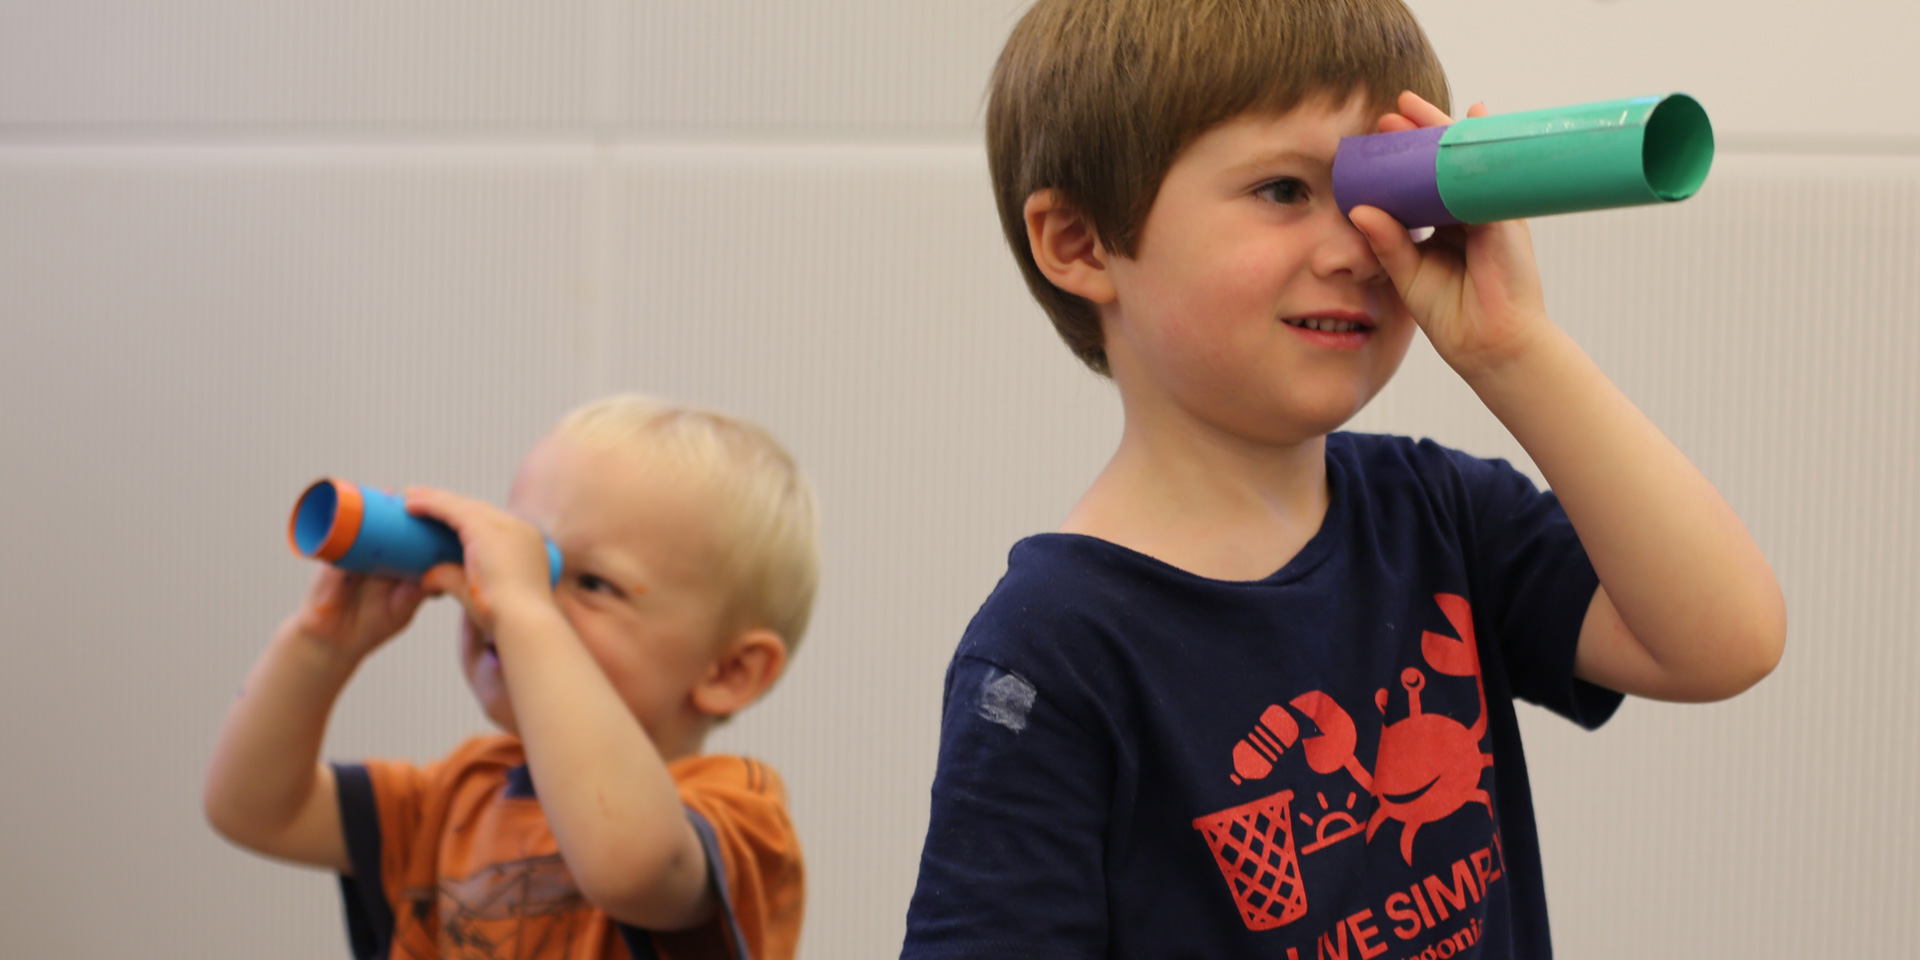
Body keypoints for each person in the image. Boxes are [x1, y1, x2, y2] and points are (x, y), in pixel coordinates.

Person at [900, 1, 1785, 958]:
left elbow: (1725, 640)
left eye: (1388, 195)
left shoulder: (1437, 516)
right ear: (1079, 242)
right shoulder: (1052, 656)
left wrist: (1514, 351)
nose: (1358, 247)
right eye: (1284, 190)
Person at [206, 394, 818, 960]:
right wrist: (320, 644)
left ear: (731, 671)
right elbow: (253, 808)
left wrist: (526, 610)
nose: (504, 597)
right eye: (528, 560)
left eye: (591, 583)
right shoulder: (457, 796)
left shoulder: (738, 816)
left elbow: (626, 863)